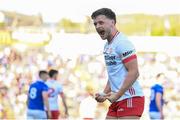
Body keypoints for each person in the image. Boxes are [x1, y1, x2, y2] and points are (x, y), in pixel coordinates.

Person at [91, 8, 144, 119]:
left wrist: (117, 95)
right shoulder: (107, 46)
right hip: (117, 99)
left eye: (101, 22)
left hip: (130, 98)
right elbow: (114, 74)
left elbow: (134, 72)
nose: (97, 26)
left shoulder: (122, 42)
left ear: (113, 22)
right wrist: (104, 93)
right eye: (95, 24)